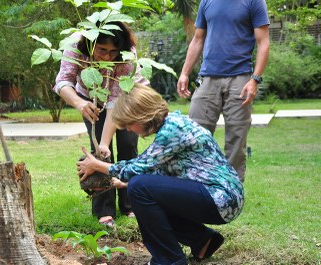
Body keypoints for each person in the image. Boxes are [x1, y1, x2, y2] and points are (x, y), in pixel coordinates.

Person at [78, 84, 244, 264]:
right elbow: (159, 170)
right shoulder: (172, 124)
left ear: (141, 115)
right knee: (140, 189)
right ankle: (203, 241)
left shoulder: (171, 130)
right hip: (221, 196)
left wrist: (97, 165)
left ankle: (168, 260)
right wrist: (122, 183)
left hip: (220, 197)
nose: (128, 129)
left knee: (138, 188)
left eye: (128, 123)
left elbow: (138, 168)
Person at [54, 22, 149, 227]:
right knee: (97, 150)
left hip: (127, 97)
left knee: (128, 145)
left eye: (113, 52)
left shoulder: (126, 54)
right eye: (102, 50)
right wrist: (80, 103)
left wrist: (106, 143)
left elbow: (116, 103)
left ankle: (130, 205)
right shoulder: (75, 46)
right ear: (90, 45)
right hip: (90, 97)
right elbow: (63, 81)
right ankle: (104, 210)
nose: (107, 57)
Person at [177, 0, 270, 182]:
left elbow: (263, 42)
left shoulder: (254, 1)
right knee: (195, 135)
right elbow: (198, 39)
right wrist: (184, 73)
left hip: (240, 79)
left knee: (236, 140)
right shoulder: (207, 1)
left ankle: (232, 192)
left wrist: (255, 79)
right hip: (208, 78)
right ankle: (195, 186)